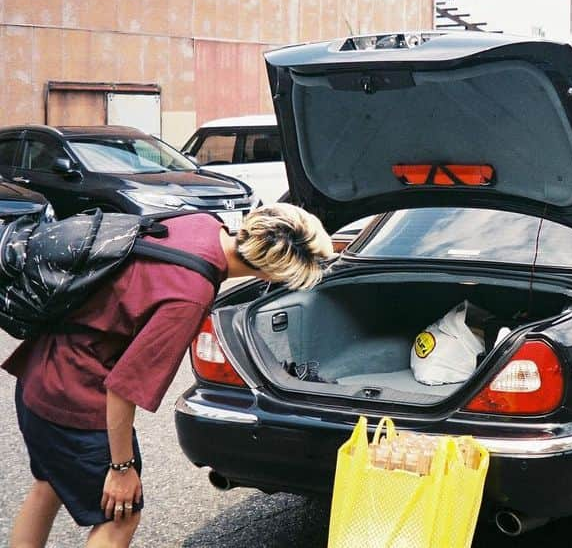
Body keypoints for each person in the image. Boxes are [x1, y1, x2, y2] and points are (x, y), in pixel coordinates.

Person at [4, 203, 333, 548]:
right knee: (121, 514)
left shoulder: (202, 223)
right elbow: (123, 389)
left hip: (39, 369)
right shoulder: (190, 294)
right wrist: (121, 469)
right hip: (73, 396)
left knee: (48, 485)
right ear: (273, 274)